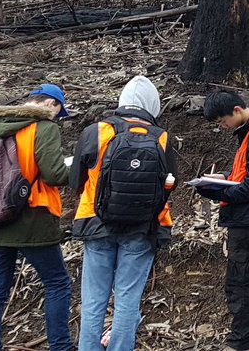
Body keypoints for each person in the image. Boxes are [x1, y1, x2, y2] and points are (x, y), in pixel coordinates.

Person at [73, 76, 179, 351]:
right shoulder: (162, 138)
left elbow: (75, 181)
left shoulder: (96, 131)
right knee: (127, 301)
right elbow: (170, 184)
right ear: (152, 105)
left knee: (93, 301)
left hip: (96, 224)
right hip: (142, 229)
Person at [194, 91, 249, 351]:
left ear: (236, 110)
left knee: (239, 280)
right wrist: (218, 179)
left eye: (222, 121)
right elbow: (241, 174)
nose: (222, 127)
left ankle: (239, 342)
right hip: (246, 214)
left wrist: (220, 192)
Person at [0, 85, 72, 351]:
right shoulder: (44, 128)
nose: (59, 118)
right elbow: (53, 175)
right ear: (51, 104)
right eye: (60, 111)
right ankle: (60, 347)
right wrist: (73, 170)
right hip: (34, 218)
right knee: (57, 283)